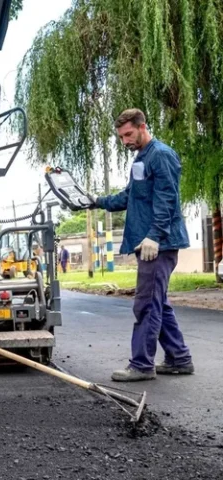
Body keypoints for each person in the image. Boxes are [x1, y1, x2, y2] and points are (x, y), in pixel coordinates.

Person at [88, 108, 193, 381]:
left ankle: (142, 365)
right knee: (158, 303)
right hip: (148, 243)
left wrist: (155, 235)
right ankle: (179, 358)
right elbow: (129, 197)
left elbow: (167, 198)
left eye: (129, 134)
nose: (125, 141)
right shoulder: (141, 159)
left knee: (146, 304)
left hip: (159, 245)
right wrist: (96, 201)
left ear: (142, 127)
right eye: (121, 137)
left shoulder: (161, 155)